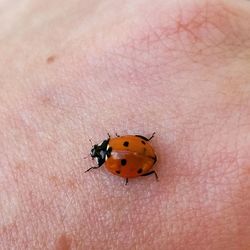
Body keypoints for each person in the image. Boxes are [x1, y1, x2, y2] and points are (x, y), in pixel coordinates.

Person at [0, 0, 249, 249]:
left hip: (145, 157)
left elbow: (127, 162)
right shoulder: (113, 151)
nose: (97, 153)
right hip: (144, 155)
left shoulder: (110, 162)